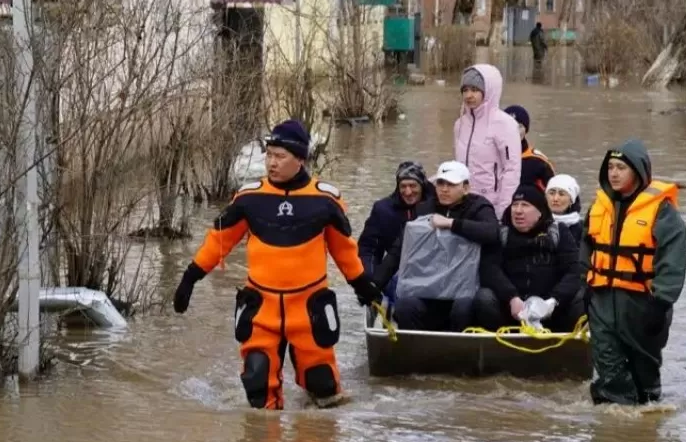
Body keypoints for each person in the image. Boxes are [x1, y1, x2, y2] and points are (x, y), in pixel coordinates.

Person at [172, 119, 381, 410]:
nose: (271, 163)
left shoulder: (325, 200)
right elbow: (219, 241)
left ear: (300, 159)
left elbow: (343, 250)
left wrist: (362, 285)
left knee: (324, 388)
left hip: (308, 306)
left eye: (280, 156)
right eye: (268, 155)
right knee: (258, 386)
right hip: (262, 306)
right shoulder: (249, 198)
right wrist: (190, 277)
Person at [582, 140, 686, 406]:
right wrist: (582, 286)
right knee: (607, 363)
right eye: (610, 167)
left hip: (644, 304)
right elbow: (585, 248)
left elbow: (672, 259)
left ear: (638, 172)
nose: (614, 173)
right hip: (603, 300)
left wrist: (662, 301)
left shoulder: (662, 212)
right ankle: (614, 426)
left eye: (621, 168)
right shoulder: (599, 207)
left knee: (645, 376)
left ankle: (644, 413)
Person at [374, 161, 500, 332]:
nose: (444, 189)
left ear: (465, 187)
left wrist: (451, 224)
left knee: (463, 308)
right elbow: (399, 249)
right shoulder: (425, 209)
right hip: (430, 289)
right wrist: (373, 285)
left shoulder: (479, 207)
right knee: (405, 306)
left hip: (465, 289)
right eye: (440, 183)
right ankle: (416, 350)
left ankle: (461, 351)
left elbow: (491, 232)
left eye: (451, 184)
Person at [473, 185, 584, 332]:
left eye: (525, 205)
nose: (518, 211)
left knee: (581, 296)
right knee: (484, 297)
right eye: (515, 205)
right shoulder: (502, 233)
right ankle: (496, 343)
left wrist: (553, 301)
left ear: (539, 212)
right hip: (511, 308)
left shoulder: (558, 232)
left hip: (550, 308)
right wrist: (511, 297)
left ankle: (567, 341)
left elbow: (574, 270)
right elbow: (489, 269)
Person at [357, 161, 433, 301]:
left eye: (413, 186)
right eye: (403, 186)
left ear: (422, 185)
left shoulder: (437, 206)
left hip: (431, 271)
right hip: (394, 272)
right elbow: (369, 248)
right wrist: (370, 277)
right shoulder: (383, 210)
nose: (408, 192)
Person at [454, 64, 521, 217]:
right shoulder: (460, 124)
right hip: (463, 203)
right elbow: (458, 166)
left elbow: (511, 170)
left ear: (489, 91)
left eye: (475, 90)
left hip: (492, 205)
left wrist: (504, 211)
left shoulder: (505, 124)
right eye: (465, 90)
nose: (469, 95)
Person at [503, 104, 556, 192]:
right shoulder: (489, 157)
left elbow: (554, 196)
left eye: (519, 126)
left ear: (526, 130)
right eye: (509, 125)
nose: (513, 131)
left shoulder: (539, 162)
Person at [546, 174, 584, 246]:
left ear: (571, 200)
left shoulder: (582, 229)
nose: (555, 199)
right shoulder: (535, 224)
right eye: (551, 193)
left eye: (561, 194)